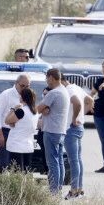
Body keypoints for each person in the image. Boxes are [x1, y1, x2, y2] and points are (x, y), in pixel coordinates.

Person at [36, 68, 74, 196]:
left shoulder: (54, 93)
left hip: (51, 130)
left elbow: (39, 108)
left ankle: (53, 191)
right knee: (59, 161)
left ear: (51, 78)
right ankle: (57, 189)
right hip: (60, 130)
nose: (47, 81)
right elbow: (44, 109)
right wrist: (45, 109)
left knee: (52, 162)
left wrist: (44, 109)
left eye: (47, 78)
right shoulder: (64, 90)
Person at [0, 72, 30, 172]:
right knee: (4, 162)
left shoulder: (29, 96)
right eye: (22, 85)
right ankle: (2, 186)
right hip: (5, 131)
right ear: (16, 83)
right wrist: (0, 134)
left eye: (28, 86)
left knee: (18, 165)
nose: (25, 88)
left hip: (20, 134)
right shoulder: (6, 95)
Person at [3, 86, 39, 170]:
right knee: (26, 171)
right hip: (28, 145)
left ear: (23, 97)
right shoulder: (35, 111)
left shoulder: (21, 111)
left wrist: (13, 109)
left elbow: (7, 120)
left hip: (16, 145)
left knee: (16, 171)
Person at [65, 74, 89, 199]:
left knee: (73, 160)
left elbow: (77, 103)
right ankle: (79, 189)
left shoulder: (69, 90)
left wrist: (75, 117)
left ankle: (74, 190)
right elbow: (90, 100)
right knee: (78, 159)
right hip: (79, 127)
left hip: (71, 127)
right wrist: (82, 116)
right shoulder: (77, 87)